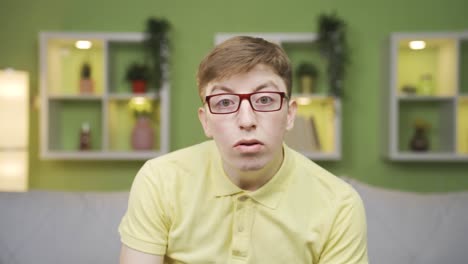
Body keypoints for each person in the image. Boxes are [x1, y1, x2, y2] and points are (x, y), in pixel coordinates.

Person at [119, 36, 368, 264]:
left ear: (290, 115)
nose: (246, 120)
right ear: (206, 121)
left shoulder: (340, 205)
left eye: (265, 99)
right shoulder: (159, 179)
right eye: (225, 102)